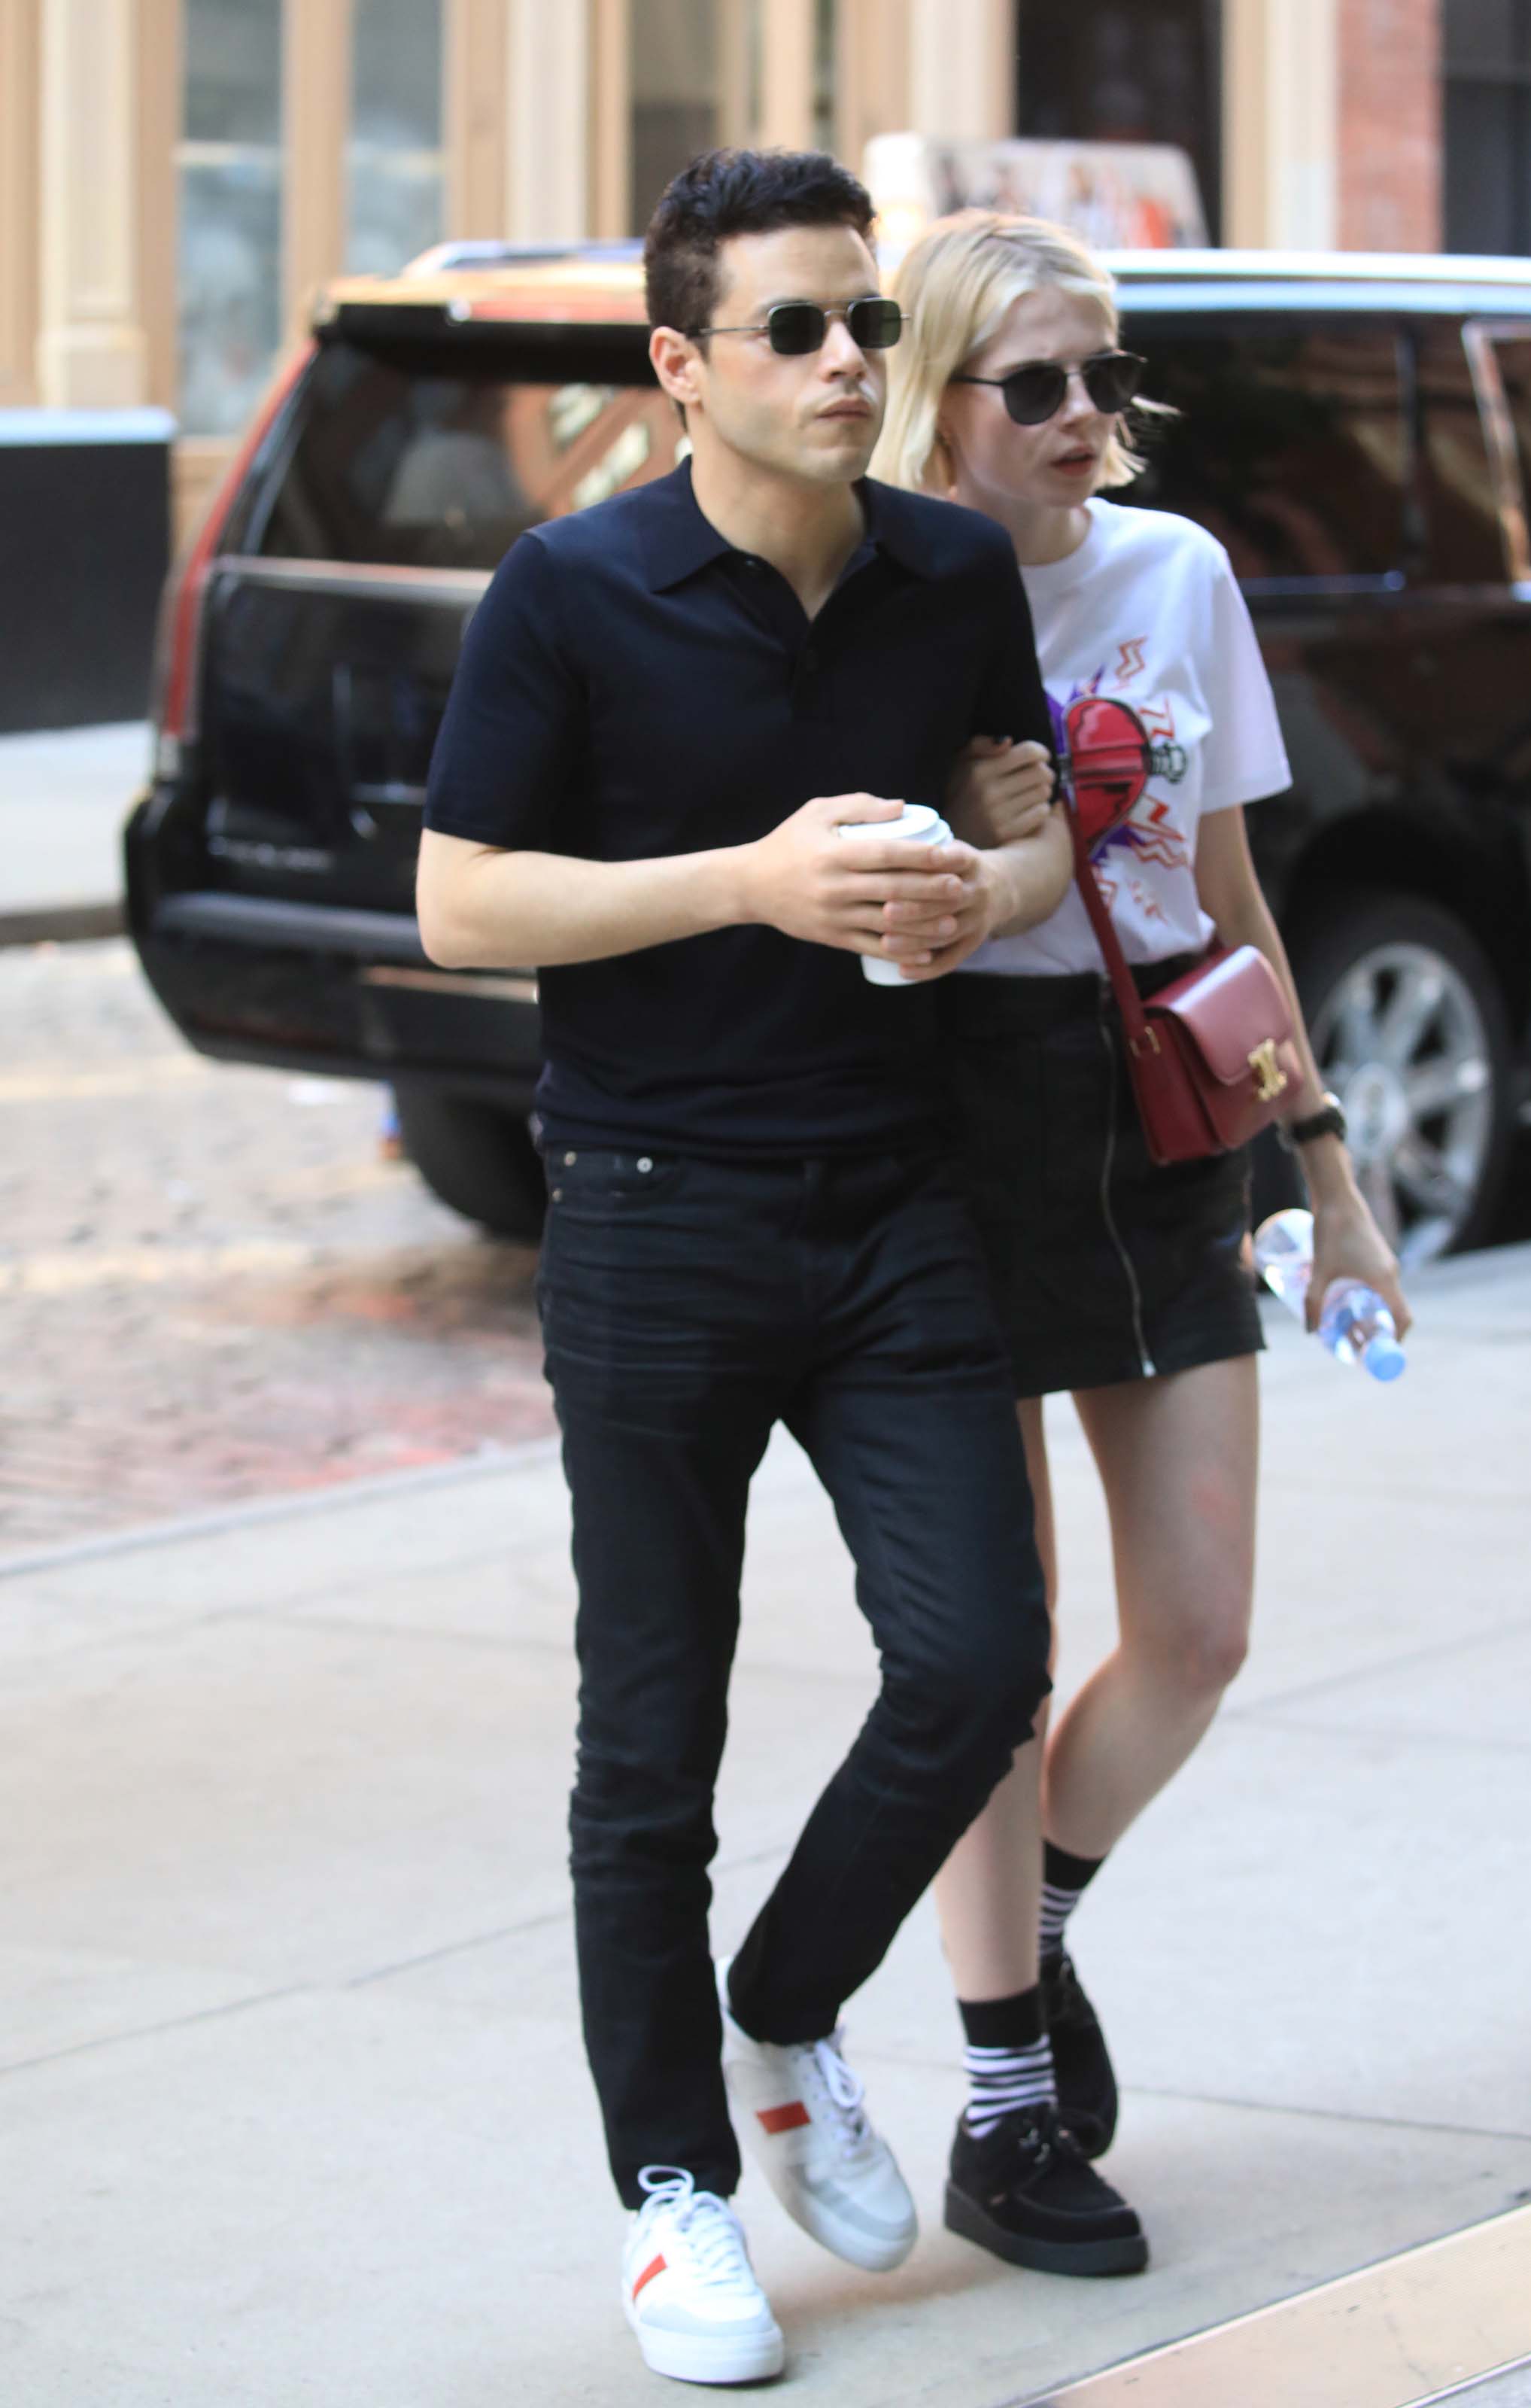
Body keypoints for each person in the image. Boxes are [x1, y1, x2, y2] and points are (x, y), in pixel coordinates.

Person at [415, 152, 1139, 2390]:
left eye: (862, 326)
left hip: (892, 1195)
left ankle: (784, 2010)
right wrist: (742, 881)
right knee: (650, 1747)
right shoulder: (566, 589)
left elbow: (1022, 840)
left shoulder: (941, 567)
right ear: (680, 372)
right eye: (799, 333)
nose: (852, 364)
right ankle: (669, 2195)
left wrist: (974, 898)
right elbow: (461, 907)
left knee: (975, 1664)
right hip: (649, 1208)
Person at [873, 211, 1413, 2269]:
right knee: (987, 1663)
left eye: (1103, 376)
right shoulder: (880, 600)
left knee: (1195, 1628)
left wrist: (1333, 1182)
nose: (1088, 416)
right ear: (941, 403)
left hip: (1166, 1120)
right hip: (949, 1132)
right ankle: (1004, 2104)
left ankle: (1046, 1913)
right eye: (1040, 384)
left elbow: (1228, 891)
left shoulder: (1175, 576)